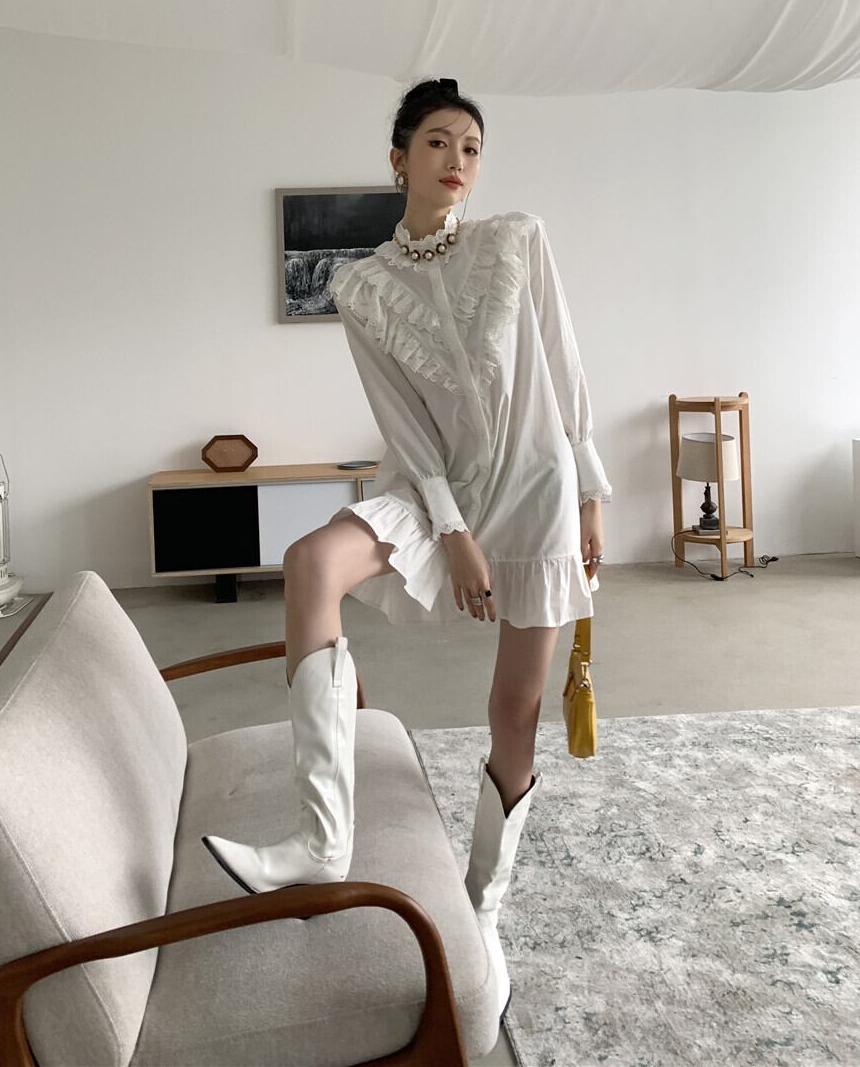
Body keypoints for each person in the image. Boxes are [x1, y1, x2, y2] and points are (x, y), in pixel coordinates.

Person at [203, 77, 612, 1019]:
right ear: (398, 159)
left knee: (514, 710)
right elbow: (402, 421)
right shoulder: (364, 287)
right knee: (312, 563)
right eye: (437, 142)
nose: (457, 160)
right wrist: (452, 530)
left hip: (538, 486)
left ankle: (482, 908)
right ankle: (322, 840)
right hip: (435, 488)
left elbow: (564, 364)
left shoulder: (518, 240)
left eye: (471, 146)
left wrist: (592, 490)